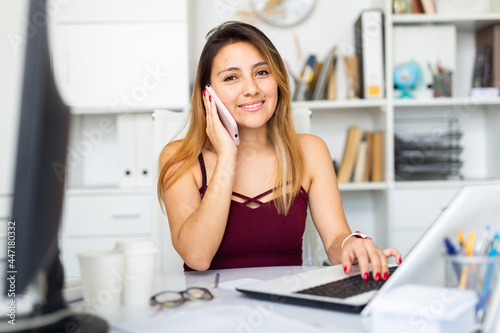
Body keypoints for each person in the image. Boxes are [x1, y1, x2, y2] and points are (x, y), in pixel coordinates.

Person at [157, 21, 401, 281]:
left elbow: (334, 240)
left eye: (262, 72)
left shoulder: (311, 151)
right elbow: (197, 256)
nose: (252, 89)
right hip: (209, 311)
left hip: (287, 307)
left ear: (278, 80)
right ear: (208, 94)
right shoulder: (179, 158)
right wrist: (227, 155)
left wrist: (351, 244)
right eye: (231, 77)